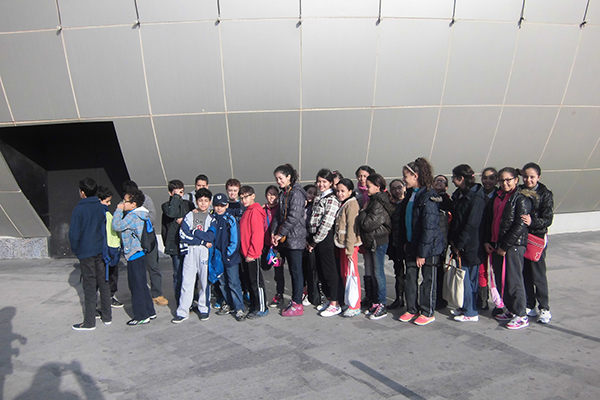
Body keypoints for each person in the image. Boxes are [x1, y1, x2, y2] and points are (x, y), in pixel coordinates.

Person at [483, 167, 532, 330]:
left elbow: (520, 225)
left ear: (516, 180)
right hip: (496, 245)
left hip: (513, 246)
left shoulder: (521, 199)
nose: (505, 183)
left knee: (514, 280)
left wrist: (505, 245)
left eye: (508, 180)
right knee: (501, 280)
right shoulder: (498, 197)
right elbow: (491, 220)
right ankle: (510, 310)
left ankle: (521, 314)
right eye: (502, 180)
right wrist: (488, 241)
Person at [399, 158, 444, 326]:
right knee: (410, 278)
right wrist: (406, 241)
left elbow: (429, 227)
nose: (403, 179)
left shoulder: (429, 196)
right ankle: (411, 308)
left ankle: (427, 311)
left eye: (405, 176)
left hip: (428, 248)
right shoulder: (411, 195)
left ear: (415, 176)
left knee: (427, 280)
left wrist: (422, 254)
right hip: (412, 244)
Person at [70, 178, 112, 331]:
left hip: (86, 252)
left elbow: (74, 234)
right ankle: (107, 316)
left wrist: (76, 250)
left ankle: (89, 322)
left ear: (82, 192)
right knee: (103, 282)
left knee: (89, 285)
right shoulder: (101, 208)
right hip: (101, 250)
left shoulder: (79, 209)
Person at [112, 189, 157, 326]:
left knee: (136, 285)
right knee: (142, 284)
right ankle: (150, 311)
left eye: (125, 201)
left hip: (133, 253)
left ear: (134, 204)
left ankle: (141, 315)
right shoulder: (143, 214)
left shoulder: (133, 216)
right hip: (140, 253)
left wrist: (118, 210)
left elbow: (116, 225)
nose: (122, 203)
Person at [448, 164, 486, 322]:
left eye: (454, 177)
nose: (452, 180)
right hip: (460, 243)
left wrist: (459, 244)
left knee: (467, 278)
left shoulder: (476, 197)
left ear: (461, 178)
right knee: (464, 277)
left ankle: (471, 311)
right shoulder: (459, 195)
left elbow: (471, 224)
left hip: (471, 245)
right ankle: (465, 306)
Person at [172, 188, 215, 323]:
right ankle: (183, 311)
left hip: (204, 252)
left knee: (204, 282)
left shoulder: (211, 218)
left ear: (210, 202)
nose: (203, 203)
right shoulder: (189, 216)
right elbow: (183, 235)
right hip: (190, 251)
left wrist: (194, 231)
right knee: (187, 281)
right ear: (196, 201)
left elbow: (211, 236)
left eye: (206, 201)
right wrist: (201, 240)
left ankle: (204, 308)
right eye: (200, 200)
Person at [122, 180, 167, 307]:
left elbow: (152, 216)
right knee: (136, 271)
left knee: (153, 266)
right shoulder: (123, 203)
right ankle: (139, 294)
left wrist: (137, 218)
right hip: (133, 243)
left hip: (147, 238)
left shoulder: (146, 199)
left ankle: (157, 294)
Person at [270, 164, 307, 317]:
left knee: (296, 272)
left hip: (295, 239)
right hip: (286, 239)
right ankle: (294, 299)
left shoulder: (296, 193)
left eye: (281, 178)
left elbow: (294, 216)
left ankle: (298, 303)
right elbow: (278, 216)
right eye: (277, 179)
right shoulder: (284, 193)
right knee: (289, 270)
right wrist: (273, 233)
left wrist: (281, 233)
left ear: (289, 177)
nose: (279, 181)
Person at [357, 173, 394, 320]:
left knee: (378, 273)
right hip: (373, 241)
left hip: (378, 241)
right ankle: (376, 301)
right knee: (374, 272)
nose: (366, 188)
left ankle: (382, 303)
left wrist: (362, 211)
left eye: (369, 186)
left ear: (378, 187)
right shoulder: (374, 200)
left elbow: (367, 224)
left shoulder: (378, 202)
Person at [520, 162, 553, 324]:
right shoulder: (519, 191)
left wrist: (532, 222)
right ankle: (530, 304)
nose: (528, 180)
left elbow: (547, 219)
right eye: (526, 177)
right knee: (524, 272)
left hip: (536, 239)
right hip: (521, 238)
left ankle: (544, 308)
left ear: (538, 177)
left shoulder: (545, 194)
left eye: (532, 177)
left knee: (537, 274)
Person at [307, 169, 342, 317]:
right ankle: (328, 299)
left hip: (324, 238)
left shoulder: (332, 199)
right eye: (319, 181)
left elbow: (327, 222)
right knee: (320, 270)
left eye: (324, 182)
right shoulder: (319, 197)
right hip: (315, 237)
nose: (321, 184)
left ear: (330, 183)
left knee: (329, 271)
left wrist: (315, 241)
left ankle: (335, 303)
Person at [212, 193, 245, 322]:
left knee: (234, 282)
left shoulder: (230, 219)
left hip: (230, 257)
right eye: (217, 205)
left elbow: (235, 239)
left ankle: (239, 307)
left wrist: (229, 254)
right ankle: (229, 303)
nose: (219, 208)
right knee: (222, 283)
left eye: (222, 205)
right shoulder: (212, 219)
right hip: (218, 257)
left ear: (226, 206)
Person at [161, 180, 195, 306]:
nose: (180, 195)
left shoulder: (188, 204)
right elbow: (172, 213)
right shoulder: (166, 206)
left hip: (188, 243)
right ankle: (180, 301)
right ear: (170, 193)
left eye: (181, 192)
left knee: (190, 274)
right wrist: (175, 198)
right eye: (176, 193)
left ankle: (191, 300)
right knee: (178, 274)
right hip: (175, 245)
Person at [239, 186, 269, 319]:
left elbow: (257, 234)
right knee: (250, 281)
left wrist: (252, 253)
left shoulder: (255, 211)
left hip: (252, 254)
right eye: (241, 198)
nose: (244, 200)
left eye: (246, 197)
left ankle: (262, 307)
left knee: (256, 282)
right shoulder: (247, 211)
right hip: (245, 253)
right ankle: (254, 305)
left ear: (253, 196)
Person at [334, 178, 362, 317]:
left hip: (349, 246)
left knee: (351, 275)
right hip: (343, 245)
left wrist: (350, 250)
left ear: (350, 191)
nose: (340, 193)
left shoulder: (351, 205)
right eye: (338, 191)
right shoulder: (345, 203)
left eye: (343, 191)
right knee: (345, 274)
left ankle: (355, 305)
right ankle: (349, 302)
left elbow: (352, 228)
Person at [97, 186, 123, 308]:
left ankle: (107, 298)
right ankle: (108, 298)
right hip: (109, 248)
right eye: (107, 201)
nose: (109, 204)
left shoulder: (102, 213)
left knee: (106, 275)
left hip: (108, 248)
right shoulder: (104, 214)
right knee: (109, 275)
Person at [478, 167, 498, 310]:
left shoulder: (500, 196)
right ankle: (482, 301)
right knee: (482, 271)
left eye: (491, 178)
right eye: (485, 178)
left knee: (496, 272)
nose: (487, 181)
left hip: (495, 240)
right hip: (480, 239)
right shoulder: (478, 194)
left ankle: (500, 303)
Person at [387, 179, 406, 310]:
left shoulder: (408, 202)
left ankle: (411, 300)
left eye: (399, 187)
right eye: (393, 189)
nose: (397, 191)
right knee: (398, 273)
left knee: (410, 274)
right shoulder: (391, 205)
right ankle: (399, 299)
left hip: (407, 244)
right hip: (395, 243)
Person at [301, 184, 320, 307]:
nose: (311, 196)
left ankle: (312, 293)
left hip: (311, 241)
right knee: (301, 268)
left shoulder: (316, 207)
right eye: (309, 192)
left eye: (314, 193)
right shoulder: (300, 206)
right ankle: (304, 291)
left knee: (311, 269)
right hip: (300, 240)